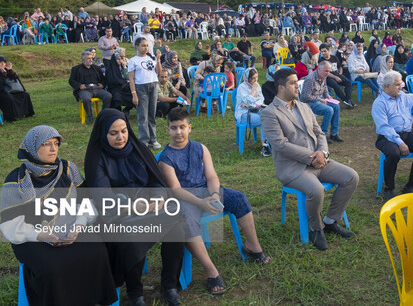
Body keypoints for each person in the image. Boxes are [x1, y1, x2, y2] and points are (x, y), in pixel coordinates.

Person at [0, 126, 118, 306]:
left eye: (56, 143)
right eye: (46, 144)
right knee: (53, 266)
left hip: (71, 226)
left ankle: (92, 300)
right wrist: (41, 235)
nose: (53, 148)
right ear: (32, 148)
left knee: (97, 252)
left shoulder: (68, 169)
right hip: (31, 236)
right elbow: (9, 223)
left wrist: (78, 225)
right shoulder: (17, 180)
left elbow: (85, 203)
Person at [158, 108, 270, 296]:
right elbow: (176, 191)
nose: (179, 132)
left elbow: (211, 176)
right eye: (174, 128)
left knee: (239, 198)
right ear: (168, 130)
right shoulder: (165, 158)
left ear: (190, 128)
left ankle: (253, 246)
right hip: (185, 199)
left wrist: (215, 196)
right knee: (186, 221)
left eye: (182, 127)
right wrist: (201, 203)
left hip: (206, 191)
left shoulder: (200, 148)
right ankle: (211, 271)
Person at [84, 110, 186, 306]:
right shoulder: (97, 159)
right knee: (132, 236)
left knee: (177, 227)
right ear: (103, 134)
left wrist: (157, 198)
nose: (121, 137)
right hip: (117, 214)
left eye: (124, 131)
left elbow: (156, 181)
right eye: (113, 133)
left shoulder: (138, 149)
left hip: (149, 207)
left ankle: (169, 285)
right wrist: (134, 206)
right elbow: (104, 199)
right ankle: (135, 293)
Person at [262, 68, 358, 251]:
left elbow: (319, 132)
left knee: (351, 177)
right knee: (316, 190)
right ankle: (316, 228)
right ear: (281, 87)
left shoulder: (304, 106)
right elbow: (280, 145)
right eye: (292, 83)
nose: (297, 86)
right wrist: (311, 157)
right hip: (292, 168)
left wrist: (323, 153)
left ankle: (330, 221)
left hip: (319, 161)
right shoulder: (269, 112)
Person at [372, 71, 413, 201]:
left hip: (407, 133)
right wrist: (400, 143)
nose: (401, 87)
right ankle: (389, 187)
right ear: (387, 86)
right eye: (397, 84)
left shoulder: (403, 96)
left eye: (401, 83)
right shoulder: (379, 103)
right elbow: (384, 127)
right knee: (393, 154)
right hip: (387, 137)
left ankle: (411, 184)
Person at [128, 37, 163, 149]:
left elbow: (159, 72)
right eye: (143, 45)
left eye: (147, 45)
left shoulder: (151, 58)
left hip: (153, 85)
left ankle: (153, 139)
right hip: (141, 87)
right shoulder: (133, 60)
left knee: (151, 113)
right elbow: (132, 79)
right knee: (143, 114)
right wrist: (134, 94)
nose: (145, 48)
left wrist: (158, 59)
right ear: (137, 46)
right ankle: (144, 139)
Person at [235, 68, 271, 157]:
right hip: (243, 113)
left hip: (255, 109)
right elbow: (248, 101)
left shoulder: (256, 85)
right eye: (253, 78)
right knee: (264, 120)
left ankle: (269, 142)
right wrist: (253, 91)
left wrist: (252, 104)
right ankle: (264, 146)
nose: (255, 80)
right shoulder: (242, 87)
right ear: (247, 78)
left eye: (256, 77)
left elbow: (261, 99)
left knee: (269, 116)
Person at [69, 50, 112, 124]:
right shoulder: (76, 69)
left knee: (108, 96)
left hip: (97, 88)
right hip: (85, 89)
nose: (91, 60)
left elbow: (103, 78)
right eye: (88, 58)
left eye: (91, 58)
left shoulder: (96, 68)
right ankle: (89, 116)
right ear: (83, 60)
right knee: (86, 99)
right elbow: (71, 80)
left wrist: (102, 84)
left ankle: (103, 115)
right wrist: (79, 86)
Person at [0, 56, 35, 122]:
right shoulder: (3, 72)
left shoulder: (7, 71)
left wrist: (10, 71)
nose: (1, 65)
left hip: (13, 91)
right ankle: (11, 117)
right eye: (0, 63)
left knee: (25, 94)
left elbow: (16, 80)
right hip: (3, 93)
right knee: (9, 98)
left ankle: (28, 113)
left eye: (3, 63)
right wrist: (3, 74)